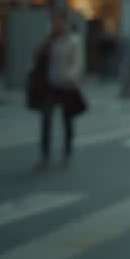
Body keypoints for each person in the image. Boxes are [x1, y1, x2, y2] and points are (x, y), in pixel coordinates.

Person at [36, 11, 84, 169]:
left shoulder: (74, 40)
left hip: (67, 86)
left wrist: (71, 78)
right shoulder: (50, 40)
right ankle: (45, 154)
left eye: (59, 21)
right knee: (46, 119)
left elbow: (77, 63)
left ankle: (67, 152)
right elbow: (37, 56)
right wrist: (46, 41)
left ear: (65, 22)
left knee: (67, 120)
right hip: (50, 85)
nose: (56, 25)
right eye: (54, 22)